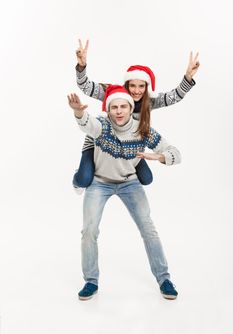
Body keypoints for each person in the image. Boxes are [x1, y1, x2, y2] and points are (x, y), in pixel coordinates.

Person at [68, 85, 182, 301]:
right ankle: (90, 281)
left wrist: (161, 157)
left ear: (131, 109)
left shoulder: (143, 129)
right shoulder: (101, 126)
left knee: (148, 229)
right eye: (114, 107)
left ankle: (164, 278)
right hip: (100, 183)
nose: (119, 111)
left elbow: (176, 153)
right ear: (108, 110)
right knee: (89, 230)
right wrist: (78, 112)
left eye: (123, 107)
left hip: (130, 183)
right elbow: (86, 123)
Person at [73, 39, 199, 193]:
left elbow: (175, 97)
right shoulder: (114, 93)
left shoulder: (150, 102)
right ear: (127, 85)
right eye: (132, 85)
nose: (136, 91)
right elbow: (85, 86)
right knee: (83, 179)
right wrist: (81, 66)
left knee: (146, 178)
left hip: (130, 148)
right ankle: (82, 177)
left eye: (141, 86)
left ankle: (121, 175)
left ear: (147, 87)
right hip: (101, 144)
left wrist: (187, 77)